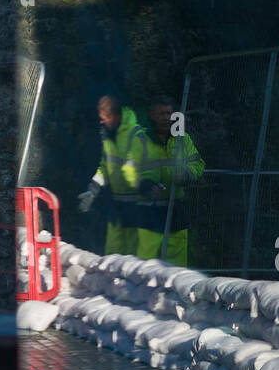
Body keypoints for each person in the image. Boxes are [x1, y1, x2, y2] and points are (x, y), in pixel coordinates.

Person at [131, 96, 206, 265]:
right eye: (161, 114)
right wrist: (145, 185)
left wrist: (186, 174)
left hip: (176, 212)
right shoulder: (140, 139)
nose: (166, 118)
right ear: (151, 115)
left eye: (169, 113)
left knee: (177, 269)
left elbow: (198, 164)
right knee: (145, 266)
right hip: (149, 212)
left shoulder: (182, 139)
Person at [77, 92, 150, 255]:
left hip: (135, 204)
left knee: (131, 255)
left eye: (105, 118)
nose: (101, 121)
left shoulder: (136, 135)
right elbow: (104, 167)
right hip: (116, 204)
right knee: (112, 252)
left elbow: (136, 169)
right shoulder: (108, 136)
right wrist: (92, 191)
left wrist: (144, 187)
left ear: (117, 116)